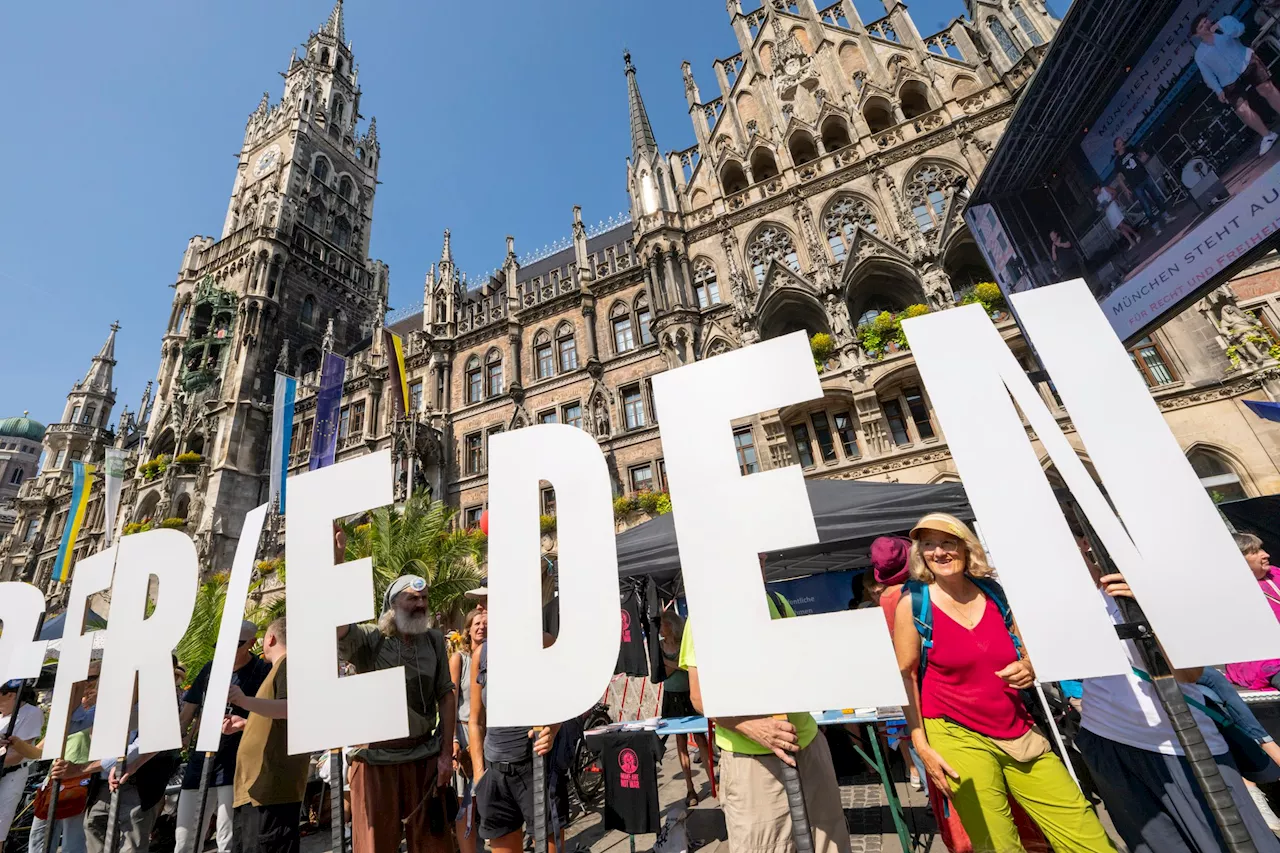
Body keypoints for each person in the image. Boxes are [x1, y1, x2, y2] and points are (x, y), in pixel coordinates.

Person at [893, 513, 1115, 853]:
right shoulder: (914, 605)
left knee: (1083, 829)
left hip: (1016, 727)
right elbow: (906, 675)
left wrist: (1028, 665)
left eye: (947, 542)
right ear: (920, 554)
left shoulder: (994, 593)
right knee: (996, 843)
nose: (939, 552)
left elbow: (1027, 648)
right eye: (929, 545)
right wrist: (921, 745)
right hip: (954, 732)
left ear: (966, 548)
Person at [1074, 565, 1280, 851]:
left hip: (1184, 744)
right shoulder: (1065, 592)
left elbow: (1190, 674)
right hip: (1106, 740)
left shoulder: (1157, 576)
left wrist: (1153, 612)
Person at [681, 555, 852, 853]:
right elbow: (699, 696)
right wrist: (750, 726)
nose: (754, 563)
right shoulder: (705, 615)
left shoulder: (778, 601)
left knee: (831, 843)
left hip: (807, 747)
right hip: (753, 763)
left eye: (757, 556)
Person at [337, 575, 456, 853]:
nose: (421, 604)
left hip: (423, 757)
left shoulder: (434, 640)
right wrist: (337, 566)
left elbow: (446, 695)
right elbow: (338, 630)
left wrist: (445, 754)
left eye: (424, 598)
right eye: (412, 598)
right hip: (376, 761)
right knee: (375, 845)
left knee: (433, 844)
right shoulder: (371, 638)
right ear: (392, 604)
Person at [469, 611, 563, 852]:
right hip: (495, 773)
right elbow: (476, 720)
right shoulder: (482, 654)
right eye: (482, 605)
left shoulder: (543, 642)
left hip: (535, 767)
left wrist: (551, 731)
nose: (484, 612)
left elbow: (563, 699)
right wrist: (480, 775)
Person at [174, 620, 271, 853]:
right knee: (185, 836)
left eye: (235, 645)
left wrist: (243, 722)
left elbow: (272, 716)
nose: (227, 651)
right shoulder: (210, 669)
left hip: (237, 761)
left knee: (228, 838)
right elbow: (188, 712)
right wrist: (178, 737)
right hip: (201, 758)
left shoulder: (262, 672)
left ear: (251, 643)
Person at [229, 618, 310, 853]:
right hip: (259, 789)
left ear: (270, 638)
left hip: (271, 788)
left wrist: (243, 700)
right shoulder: (279, 669)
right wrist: (247, 724)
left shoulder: (288, 664)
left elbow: (289, 708)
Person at [11, 660, 102, 853]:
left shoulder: (102, 711)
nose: (86, 684)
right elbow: (39, 752)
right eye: (83, 679)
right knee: (39, 837)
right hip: (55, 779)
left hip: (82, 779)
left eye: (91, 678)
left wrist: (93, 702)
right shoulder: (68, 714)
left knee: (73, 841)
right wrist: (16, 743)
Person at [1193, 13, 1280, 155]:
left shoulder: (1224, 22)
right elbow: (1207, 74)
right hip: (1228, 79)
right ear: (1197, 34)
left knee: (1266, 89)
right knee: (1242, 110)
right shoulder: (1200, 55)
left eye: (1205, 21)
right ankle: (1267, 136)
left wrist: (1222, 29)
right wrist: (1217, 89)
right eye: (1201, 26)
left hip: (1245, 61)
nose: (1206, 25)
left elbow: (1240, 29)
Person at [658, 610, 711, 808]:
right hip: (671, 698)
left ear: (671, 625)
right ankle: (690, 788)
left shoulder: (684, 644)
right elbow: (661, 673)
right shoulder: (659, 647)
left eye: (662, 624)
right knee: (680, 742)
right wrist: (679, 665)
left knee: (701, 740)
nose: (660, 628)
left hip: (689, 695)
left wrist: (671, 664)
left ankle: (713, 782)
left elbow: (689, 668)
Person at [450, 608, 486, 853]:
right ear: (468, 628)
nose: (481, 627)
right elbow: (450, 704)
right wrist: (452, 739)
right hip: (464, 736)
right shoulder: (459, 659)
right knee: (466, 801)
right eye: (477, 623)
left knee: (487, 799)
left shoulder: (494, 657)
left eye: (485, 623)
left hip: (490, 736)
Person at [1225, 533, 1280, 690]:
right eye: (1255, 552)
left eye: (1261, 549)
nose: (1266, 555)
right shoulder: (1230, 590)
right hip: (1261, 660)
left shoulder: (1275, 574)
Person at [0, 679, 46, 845]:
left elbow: (18, 755)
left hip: (10, 775)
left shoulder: (30, 713)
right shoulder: (2, 714)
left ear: (11, 695)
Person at [1113, 137, 1176, 235]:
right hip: (1136, 185)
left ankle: (1166, 216)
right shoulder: (1117, 162)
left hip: (1145, 177)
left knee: (1157, 197)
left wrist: (1143, 157)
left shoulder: (1130, 149)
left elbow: (1142, 154)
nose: (1122, 143)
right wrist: (1125, 189)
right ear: (1116, 148)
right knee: (1146, 205)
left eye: (1122, 141)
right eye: (1119, 142)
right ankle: (1156, 227)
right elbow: (1119, 178)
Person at [1095, 185, 1140, 249]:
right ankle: (1131, 241)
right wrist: (1102, 207)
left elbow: (1114, 192)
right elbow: (1102, 205)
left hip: (1113, 207)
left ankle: (1135, 234)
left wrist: (1110, 201)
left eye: (1095, 190)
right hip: (1108, 211)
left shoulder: (1104, 189)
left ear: (1097, 188)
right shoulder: (1098, 198)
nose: (1095, 192)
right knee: (1119, 227)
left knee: (1121, 224)